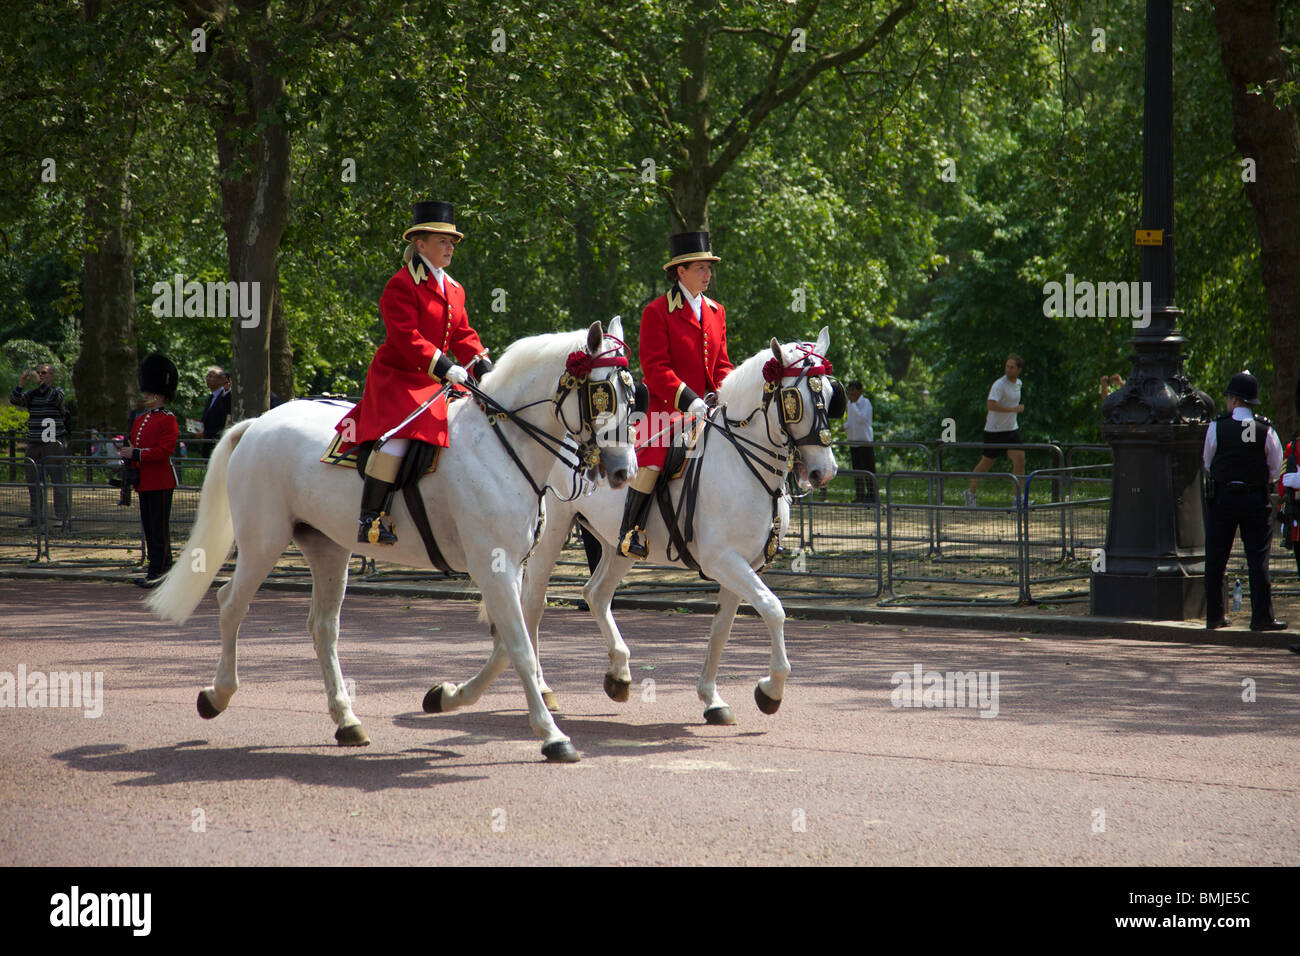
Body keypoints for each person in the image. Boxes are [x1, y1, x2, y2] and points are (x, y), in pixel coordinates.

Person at [335, 200, 492, 545]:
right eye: (442, 241)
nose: (450, 247)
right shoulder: (401, 284)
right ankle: (372, 517)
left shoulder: (454, 287)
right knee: (401, 435)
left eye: (452, 242)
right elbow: (406, 338)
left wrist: (482, 365)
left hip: (438, 379)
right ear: (420, 245)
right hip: (400, 378)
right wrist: (446, 366)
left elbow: (463, 334)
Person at [618, 230, 732, 558]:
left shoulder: (716, 311)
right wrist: (690, 400)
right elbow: (655, 368)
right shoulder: (657, 311)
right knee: (654, 456)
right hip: (668, 408)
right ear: (680, 271)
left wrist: (727, 394)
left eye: (709, 268)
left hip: (708, 407)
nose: (708, 274)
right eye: (701, 268)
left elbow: (722, 363)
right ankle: (633, 529)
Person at [1203, 371, 1287, 631]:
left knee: (1216, 558)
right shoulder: (1266, 429)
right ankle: (1261, 617)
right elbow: (1275, 467)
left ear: (1234, 400)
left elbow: (1208, 462)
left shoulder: (1217, 426)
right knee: (1258, 559)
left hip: (1223, 497)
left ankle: (1215, 616)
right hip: (1254, 498)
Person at [118, 353, 179, 588]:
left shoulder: (168, 419)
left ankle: (156, 572)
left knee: (159, 528)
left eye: (148, 393)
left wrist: (136, 454)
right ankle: (164, 567)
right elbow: (133, 445)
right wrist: (131, 470)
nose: (145, 396)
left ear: (158, 394)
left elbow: (164, 451)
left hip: (161, 481)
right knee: (150, 528)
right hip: (145, 481)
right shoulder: (139, 419)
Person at [9, 363, 70, 528]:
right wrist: (21, 384)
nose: (40, 375)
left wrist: (40, 384)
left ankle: (62, 517)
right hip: (34, 442)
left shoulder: (57, 392)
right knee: (33, 481)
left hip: (52, 442)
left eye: (44, 373)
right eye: (38, 373)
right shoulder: (33, 394)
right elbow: (15, 400)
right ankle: (35, 516)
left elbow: (54, 398)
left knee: (57, 480)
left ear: (51, 376)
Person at [965, 354, 1025, 506]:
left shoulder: (1018, 384)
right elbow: (991, 405)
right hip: (994, 431)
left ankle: (1018, 498)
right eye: (1007, 366)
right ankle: (970, 493)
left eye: (1012, 367)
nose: (1008, 370)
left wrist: (1014, 411)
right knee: (986, 464)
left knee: (1020, 461)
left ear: (1019, 370)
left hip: (1011, 430)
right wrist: (1013, 409)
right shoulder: (999, 385)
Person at [845, 380, 875, 503]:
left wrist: (853, 405)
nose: (851, 393)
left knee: (868, 470)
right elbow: (851, 421)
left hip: (865, 441)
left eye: (853, 390)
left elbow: (862, 418)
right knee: (857, 470)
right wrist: (845, 426)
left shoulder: (865, 403)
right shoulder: (849, 404)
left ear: (859, 391)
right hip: (853, 441)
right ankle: (860, 495)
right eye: (850, 390)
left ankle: (872, 496)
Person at [199, 365, 231, 458]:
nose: (207, 378)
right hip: (207, 444)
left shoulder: (225, 396)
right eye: (207, 376)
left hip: (218, 443)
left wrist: (207, 434)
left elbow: (223, 421)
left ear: (221, 379)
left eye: (211, 376)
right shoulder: (211, 397)